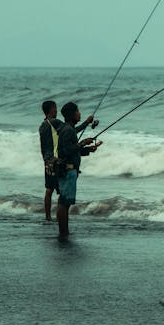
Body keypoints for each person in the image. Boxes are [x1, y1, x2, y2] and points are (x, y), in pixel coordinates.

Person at [39, 100, 98, 222]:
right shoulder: (55, 123)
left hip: (48, 161)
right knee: (63, 196)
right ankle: (60, 220)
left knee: (49, 189)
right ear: (51, 110)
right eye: (55, 108)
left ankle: (48, 217)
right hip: (57, 160)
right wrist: (86, 123)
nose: (56, 110)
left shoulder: (42, 125)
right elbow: (71, 130)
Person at [55, 101, 102, 239]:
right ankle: (64, 233)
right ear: (72, 114)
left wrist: (88, 149)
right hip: (68, 171)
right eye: (78, 111)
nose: (79, 113)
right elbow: (67, 150)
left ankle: (63, 231)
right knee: (65, 203)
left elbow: (71, 150)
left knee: (63, 202)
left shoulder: (66, 128)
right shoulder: (68, 130)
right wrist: (83, 143)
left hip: (66, 170)